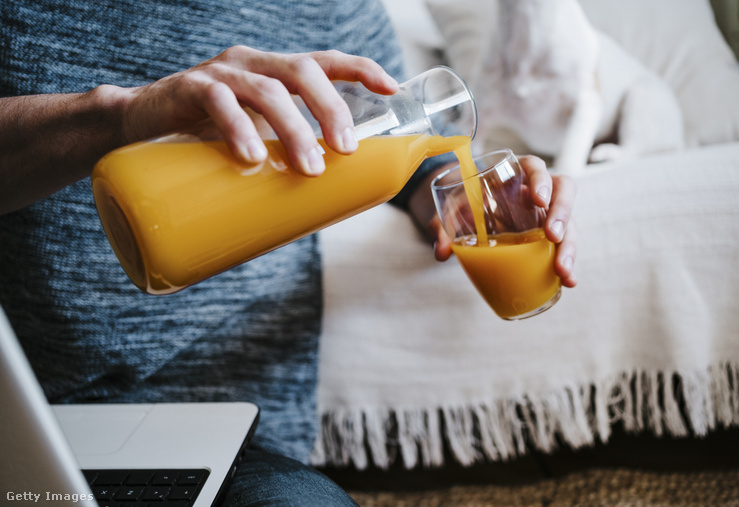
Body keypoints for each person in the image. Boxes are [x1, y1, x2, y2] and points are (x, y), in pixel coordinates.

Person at [0, 0, 577, 505]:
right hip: (21, 412)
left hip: (225, 431)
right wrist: (118, 115)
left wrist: (472, 200)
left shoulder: (337, 8)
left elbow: (418, 156)